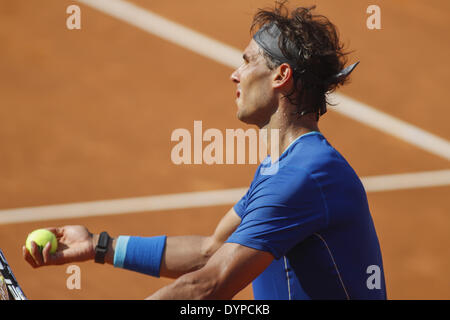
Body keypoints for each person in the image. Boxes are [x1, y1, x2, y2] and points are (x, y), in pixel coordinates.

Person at [23, 2, 386, 300]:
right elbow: (210, 251)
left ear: (280, 76)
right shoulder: (285, 168)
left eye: (247, 61)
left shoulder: (303, 176)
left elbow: (207, 287)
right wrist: (100, 247)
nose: (235, 73)